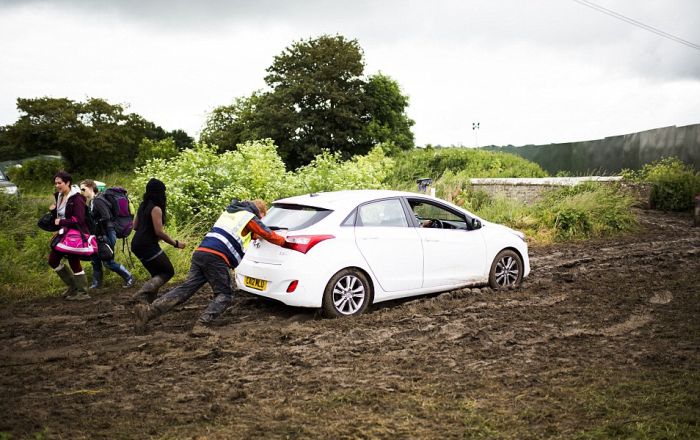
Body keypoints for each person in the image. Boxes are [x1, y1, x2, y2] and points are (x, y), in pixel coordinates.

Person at [134, 198, 286, 334]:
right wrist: (286, 242)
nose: (261, 220)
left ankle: (149, 312)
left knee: (185, 289)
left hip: (201, 252)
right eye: (262, 217)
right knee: (225, 294)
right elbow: (267, 234)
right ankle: (202, 324)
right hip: (217, 257)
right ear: (259, 212)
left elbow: (249, 233)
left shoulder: (232, 213)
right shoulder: (249, 217)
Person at [131, 178, 185, 303]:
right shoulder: (156, 208)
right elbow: (159, 232)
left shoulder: (142, 205)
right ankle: (142, 293)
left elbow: (135, 226)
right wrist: (176, 244)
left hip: (136, 244)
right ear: (160, 192)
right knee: (168, 271)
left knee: (156, 273)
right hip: (147, 245)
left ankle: (148, 303)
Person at [79, 179, 135, 289]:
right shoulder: (91, 202)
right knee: (95, 259)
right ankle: (96, 284)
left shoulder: (98, 200)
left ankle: (129, 278)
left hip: (107, 233)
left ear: (90, 188)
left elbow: (106, 217)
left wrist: (98, 227)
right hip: (98, 234)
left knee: (107, 260)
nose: (81, 191)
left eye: (83, 189)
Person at [48, 171, 91, 300]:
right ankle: (74, 286)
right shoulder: (59, 196)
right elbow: (60, 215)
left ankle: (83, 292)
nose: (57, 185)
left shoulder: (77, 198)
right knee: (53, 260)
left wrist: (61, 222)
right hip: (63, 233)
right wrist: (53, 212)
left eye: (59, 183)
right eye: (55, 183)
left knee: (74, 261)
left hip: (74, 235)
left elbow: (79, 220)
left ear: (68, 183)